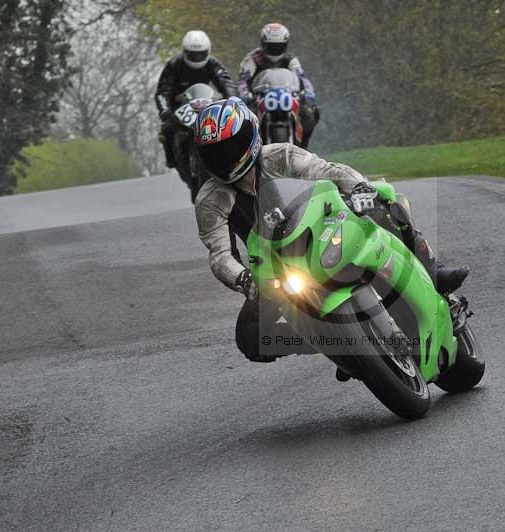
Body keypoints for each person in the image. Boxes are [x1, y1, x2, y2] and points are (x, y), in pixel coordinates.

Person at [193, 98, 469, 364]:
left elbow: (327, 170)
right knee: (251, 338)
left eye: (231, 147)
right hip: (279, 271)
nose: (225, 159)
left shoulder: (280, 155)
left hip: (326, 229)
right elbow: (219, 254)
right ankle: (339, 347)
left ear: (250, 135)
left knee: (385, 198)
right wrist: (243, 279)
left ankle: (433, 271)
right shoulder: (209, 200)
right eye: (215, 153)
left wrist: (359, 187)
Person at [155, 30, 237, 168]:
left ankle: (232, 154)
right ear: (185, 52)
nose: (197, 57)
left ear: (208, 51)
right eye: (193, 54)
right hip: (180, 106)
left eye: (201, 54)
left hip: (206, 104)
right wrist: (164, 110)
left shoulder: (212, 63)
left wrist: (232, 99)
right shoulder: (175, 64)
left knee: (232, 123)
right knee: (166, 129)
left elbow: (226, 82)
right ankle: (171, 158)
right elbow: (162, 91)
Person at [237, 23, 319, 149]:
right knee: (241, 122)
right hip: (258, 100)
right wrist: (244, 94)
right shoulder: (252, 59)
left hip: (287, 97)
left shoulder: (290, 59)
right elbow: (243, 80)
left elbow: (302, 78)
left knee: (311, 112)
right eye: (271, 46)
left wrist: (308, 92)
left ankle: (304, 146)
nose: (275, 49)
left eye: (278, 46)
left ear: (285, 44)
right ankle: (246, 151)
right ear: (263, 44)